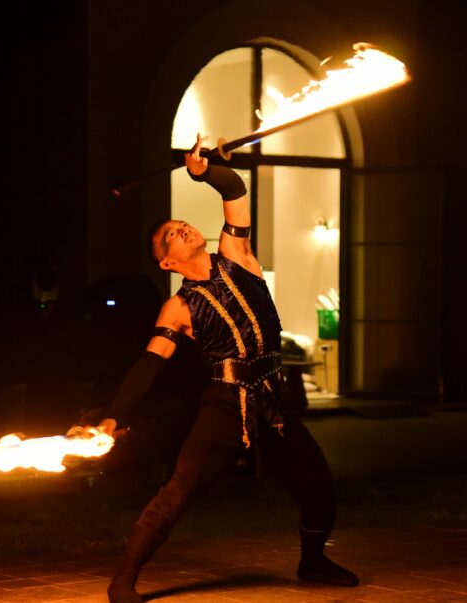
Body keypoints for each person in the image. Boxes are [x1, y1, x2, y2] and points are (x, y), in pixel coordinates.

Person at [98, 135, 358, 603]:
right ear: (167, 261)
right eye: (172, 233)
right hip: (224, 404)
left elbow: (235, 192)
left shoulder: (237, 256)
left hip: (274, 398)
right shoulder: (176, 308)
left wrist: (206, 173)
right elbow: (148, 366)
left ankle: (313, 560)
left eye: (182, 223)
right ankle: (124, 578)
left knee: (319, 486)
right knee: (177, 492)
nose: (183, 228)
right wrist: (115, 415)